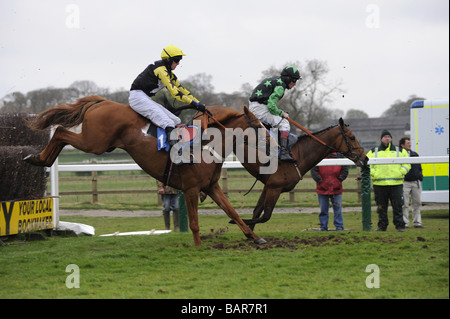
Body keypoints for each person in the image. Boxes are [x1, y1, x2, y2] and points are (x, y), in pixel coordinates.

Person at [129, 45, 206, 147]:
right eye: (177, 60)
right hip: (137, 97)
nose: (178, 63)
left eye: (180, 60)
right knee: (168, 123)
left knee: (176, 121)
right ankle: (173, 149)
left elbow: (182, 90)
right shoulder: (161, 70)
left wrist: (198, 102)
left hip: (144, 97)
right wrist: (193, 103)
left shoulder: (170, 74)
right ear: (168, 59)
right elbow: (175, 93)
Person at [249, 66, 302, 162]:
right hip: (260, 109)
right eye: (294, 80)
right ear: (288, 78)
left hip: (255, 106)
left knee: (276, 121)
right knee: (284, 123)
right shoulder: (280, 87)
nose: (295, 84)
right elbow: (271, 106)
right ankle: (284, 153)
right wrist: (281, 113)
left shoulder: (275, 79)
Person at [366, 129, 411, 232]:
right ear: (381, 138)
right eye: (385, 136)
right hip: (379, 184)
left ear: (391, 138)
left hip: (396, 183)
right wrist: (374, 173)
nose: (387, 138)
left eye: (388, 136)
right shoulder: (374, 151)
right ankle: (382, 226)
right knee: (381, 207)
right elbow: (367, 165)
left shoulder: (400, 151)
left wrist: (401, 172)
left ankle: (400, 226)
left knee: (398, 206)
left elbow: (407, 164)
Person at [311, 152, 349, 231]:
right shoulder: (319, 155)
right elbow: (314, 171)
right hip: (322, 189)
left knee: (337, 209)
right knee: (323, 210)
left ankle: (339, 227)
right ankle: (323, 227)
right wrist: (320, 182)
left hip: (336, 188)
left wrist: (339, 180)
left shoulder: (340, 156)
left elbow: (345, 170)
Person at [399, 137, 424, 228]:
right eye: (408, 143)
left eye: (410, 143)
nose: (410, 144)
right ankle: (405, 223)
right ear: (402, 145)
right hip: (405, 182)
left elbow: (419, 167)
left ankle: (417, 222)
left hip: (415, 182)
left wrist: (420, 176)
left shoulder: (414, 154)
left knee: (417, 203)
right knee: (404, 204)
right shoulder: (400, 155)